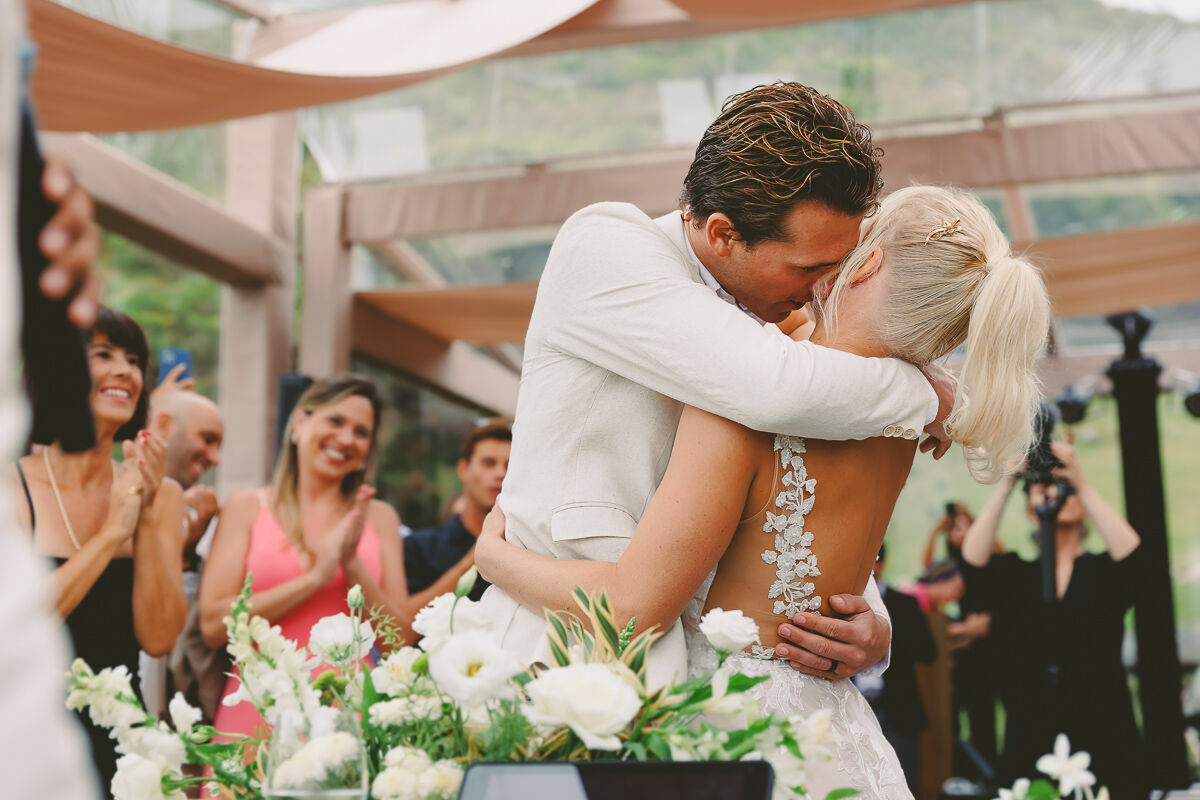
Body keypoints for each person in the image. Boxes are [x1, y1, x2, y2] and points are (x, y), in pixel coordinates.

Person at [477, 183, 1051, 798]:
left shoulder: (741, 404)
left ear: (872, 261)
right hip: (841, 734)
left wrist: (493, 556)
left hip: (731, 729)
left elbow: (633, 608)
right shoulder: (903, 423)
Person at [479, 82, 961, 692]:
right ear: (725, 233)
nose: (823, 289)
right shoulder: (604, 245)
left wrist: (867, 623)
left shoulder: (782, 330)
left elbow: (794, 495)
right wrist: (929, 398)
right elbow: (773, 388)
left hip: (696, 674)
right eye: (810, 268)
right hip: (554, 648)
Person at [8, 307, 188, 789]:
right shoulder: (11, 484)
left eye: (134, 360)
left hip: (121, 749)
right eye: (102, 354)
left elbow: (160, 638)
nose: (125, 371)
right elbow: (17, 621)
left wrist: (145, 512)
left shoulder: (163, 494)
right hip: (26, 735)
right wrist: (112, 533)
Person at [198, 374, 411, 738]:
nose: (347, 439)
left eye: (361, 432)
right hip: (257, 712)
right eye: (336, 421)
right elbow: (214, 626)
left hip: (348, 718)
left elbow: (398, 642)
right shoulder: (246, 508)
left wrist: (350, 564)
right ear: (300, 423)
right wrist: (313, 579)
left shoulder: (380, 518)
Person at [959, 441, 1144, 799]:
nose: (1056, 493)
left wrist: (1081, 483)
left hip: (1103, 720)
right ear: (1030, 509)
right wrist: (1008, 483)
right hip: (1030, 722)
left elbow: (1135, 561)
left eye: (1065, 490)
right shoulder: (1014, 574)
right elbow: (972, 560)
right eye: (1043, 488)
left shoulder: (1102, 572)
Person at [148, 386, 227, 722]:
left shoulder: (206, 518)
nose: (215, 457)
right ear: (164, 425)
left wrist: (188, 552)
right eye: (207, 439)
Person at [853, 544, 936, 795]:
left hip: (898, 710)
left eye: (873, 562)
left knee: (902, 782)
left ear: (881, 564)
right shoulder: (842, 603)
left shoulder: (905, 603)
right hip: (854, 706)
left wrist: (885, 633)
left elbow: (928, 652)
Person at [404, 419, 510, 603]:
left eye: (509, 466)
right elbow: (403, 625)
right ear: (463, 469)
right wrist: (472, 559)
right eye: (488, 463)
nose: (500, 473)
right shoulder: (418, 548)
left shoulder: (525, 551)